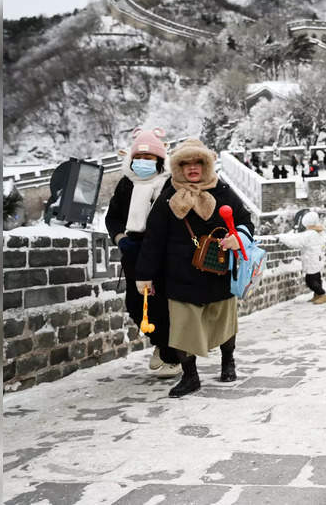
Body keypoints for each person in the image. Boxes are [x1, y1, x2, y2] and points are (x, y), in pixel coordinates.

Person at [135, 139, 255, 398]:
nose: (192, 168)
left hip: (218, 270)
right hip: (180, 274)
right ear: (178, 167)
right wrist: (145, 275)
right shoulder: (168, 197)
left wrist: (239, 237)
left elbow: (245, 221)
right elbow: (153, 239)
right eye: (185, 163)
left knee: (224, 321)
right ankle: (190, 376)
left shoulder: (223, 191)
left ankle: (228, 361)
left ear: (207, 164)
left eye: (198, 162)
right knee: (182, 327)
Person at [104, 128, 180, 379]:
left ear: (159, 160)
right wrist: (120, 239)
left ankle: (171, 355)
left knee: (165, 304)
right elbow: (112, 217)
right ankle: (160, 342)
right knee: (137, 304)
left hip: (163, 251)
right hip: (134, 250)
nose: (144, 163)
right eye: (139, 158)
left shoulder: (169, 183)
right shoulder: (127, 184)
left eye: (149, 159)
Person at [278, 211, 326, 304]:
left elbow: (296, 241)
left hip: (311, 258)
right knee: (316, 277)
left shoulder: (310, 234)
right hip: (316, 257)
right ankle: (317, 295)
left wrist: (281, 238)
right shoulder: (318, 232)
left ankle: (322, 294)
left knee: (310, 280)